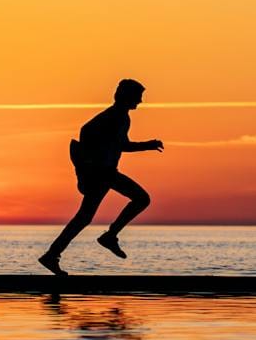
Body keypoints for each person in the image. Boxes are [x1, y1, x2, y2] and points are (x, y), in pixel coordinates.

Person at [39, 79, 163, 276]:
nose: (140, 101)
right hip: (102, 173)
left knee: (83, 218)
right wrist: (87, 166)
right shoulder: (114, 116)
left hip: (103, 173)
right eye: (138, 96)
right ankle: (110, 236)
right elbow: (87, 133)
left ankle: (51, 255)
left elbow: (121, 144)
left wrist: (147, 145)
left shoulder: (121, 117)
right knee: (142, 199)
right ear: (126, 96)